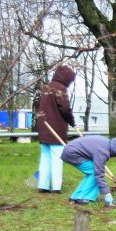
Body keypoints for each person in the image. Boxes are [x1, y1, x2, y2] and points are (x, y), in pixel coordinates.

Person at [36, 65, 76, 194]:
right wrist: (72, 122)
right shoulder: (61, 88)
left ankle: (43, 186)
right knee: (57, 158)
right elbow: (64, 109)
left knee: (45, 158)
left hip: (43, 128)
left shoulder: (46, 87)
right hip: (56, 130)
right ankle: (56, 187)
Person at [61, 135, 116, 205]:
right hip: (72, 153)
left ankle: (75, 197)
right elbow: (98, 174)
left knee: (92, 172)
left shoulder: (105, 143)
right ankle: (83, 198)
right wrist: (107, 193)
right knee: (94, 172)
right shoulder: (103, 152)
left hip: (71, 150)